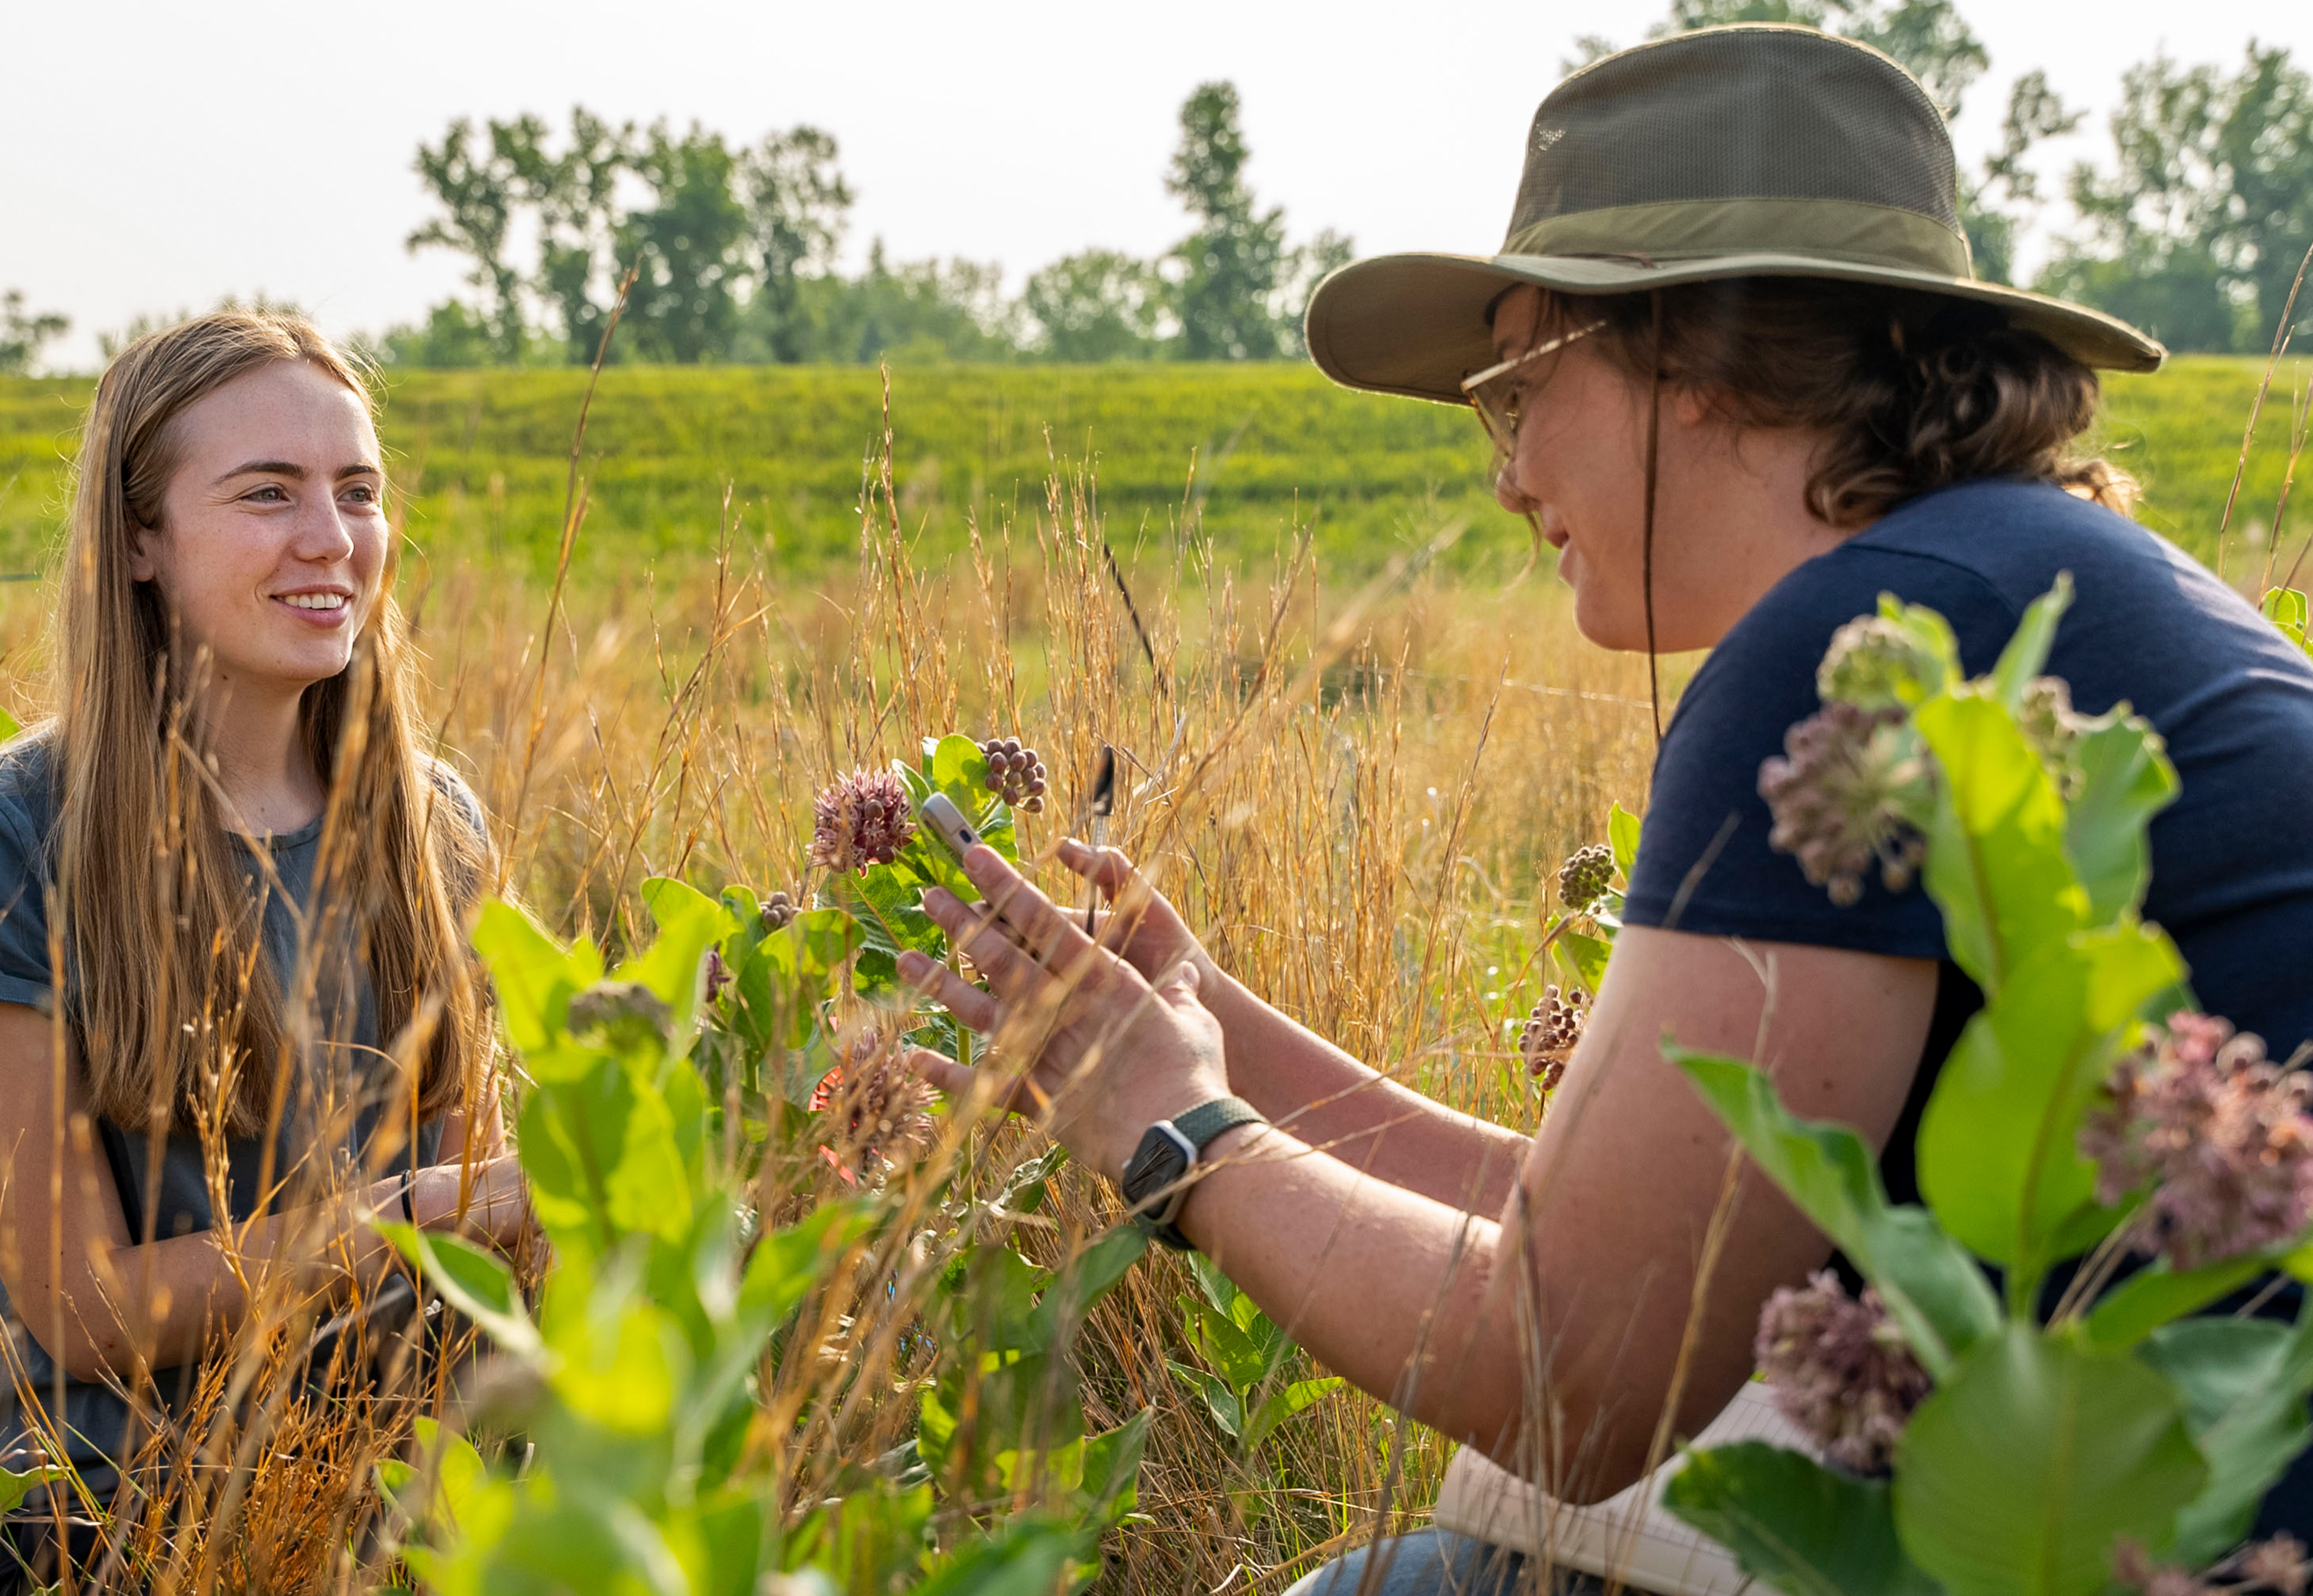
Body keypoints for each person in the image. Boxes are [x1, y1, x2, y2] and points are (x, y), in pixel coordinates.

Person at [894, 25, 2313, 1592]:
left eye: (1513, 386)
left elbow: (1574, 1381)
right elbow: (1630, 1250)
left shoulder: (1851, 657)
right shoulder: (2025, 597)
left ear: (1696, 360)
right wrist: (1213, 1022)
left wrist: (1173, 1133)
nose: (1502, 472)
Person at [0, 311, 526, 1586]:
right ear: (137, 543)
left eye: (358, 492)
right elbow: (83, 1307)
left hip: (409, 1520)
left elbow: (476, 1238)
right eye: (267, 494)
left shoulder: (430, 825)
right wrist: (407, 1220)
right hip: (116, 1535)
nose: (331, 539)